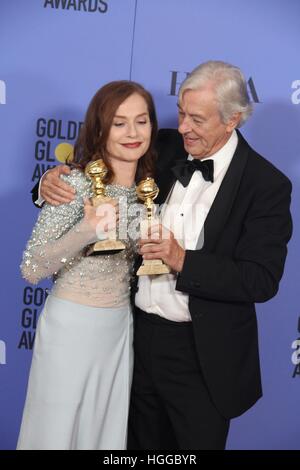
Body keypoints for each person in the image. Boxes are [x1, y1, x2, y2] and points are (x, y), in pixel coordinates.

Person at [34, 61, 293, 450]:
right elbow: (94, 171)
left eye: (197, 120)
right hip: (133, 341)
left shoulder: (266, 184)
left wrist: (182, 260)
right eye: (182, 114)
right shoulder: (165, 144)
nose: (183, 127)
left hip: (201, 357)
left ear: (232, 120)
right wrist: (47, 182)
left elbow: (260, 279)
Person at [18, 80, 158, 450]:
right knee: (56, 433)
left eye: (141, 121)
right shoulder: (75, 184)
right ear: (100, 128)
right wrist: (86, 229)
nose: (132, 133)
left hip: (119, 330)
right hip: (72, 327)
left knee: (104, 436)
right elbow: (32, 267)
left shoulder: (150, 189)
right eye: (119, 123)